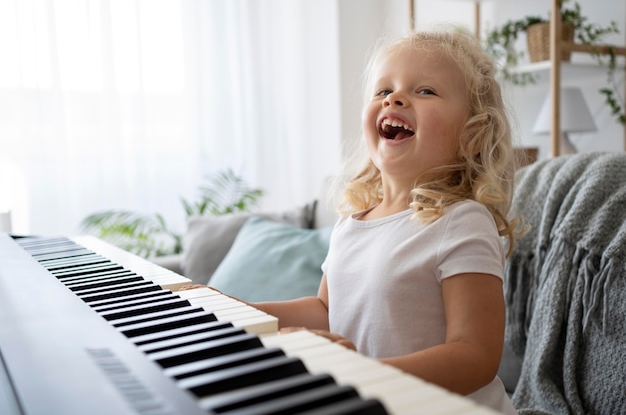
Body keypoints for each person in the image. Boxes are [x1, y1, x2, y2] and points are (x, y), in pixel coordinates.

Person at [186, 26, 520, 414]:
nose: (395, 97)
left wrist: (365, 374)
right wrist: (234, 309)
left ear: (473, 136)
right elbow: (326, 310)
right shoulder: (351, 223)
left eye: (424, 90)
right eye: (383, 91)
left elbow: (474, 356)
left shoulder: (462, 222)